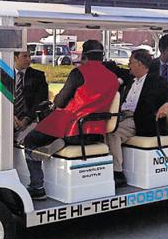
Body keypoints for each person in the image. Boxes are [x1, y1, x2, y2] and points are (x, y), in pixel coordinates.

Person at [23, 40, 119, 200]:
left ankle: (37, 186)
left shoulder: (79, 73)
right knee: (52, 131)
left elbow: (60, 102)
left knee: (31, 139)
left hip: (74, 129)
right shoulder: (113, 78)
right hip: (96, 133)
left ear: (84, 56)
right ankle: (60, 142)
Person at [106, 49, 168, 187]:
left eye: (131, 62)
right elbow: (111, 67)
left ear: (140, 64)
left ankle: (117, 173)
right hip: (121, 115)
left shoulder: (156, 81)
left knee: (112, 131)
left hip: (139, 119)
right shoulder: (129, 78)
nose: (129, 65)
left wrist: (167, 106)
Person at [13, 50, 48, 138]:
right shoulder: (4, 74)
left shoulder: (38, 76)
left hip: (31, 120)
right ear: (15, 58)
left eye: (29, 56)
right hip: (8, 118)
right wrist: (10, 116)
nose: (28, 60)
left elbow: (40, 101)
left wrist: (26, 119)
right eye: (25, 56)